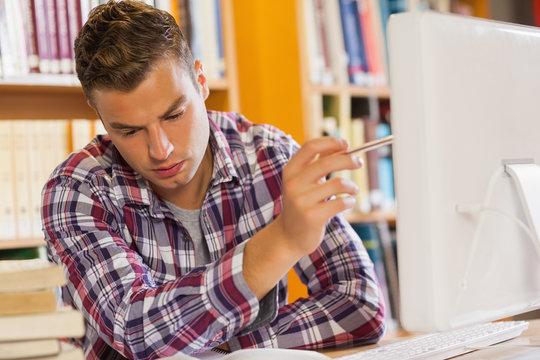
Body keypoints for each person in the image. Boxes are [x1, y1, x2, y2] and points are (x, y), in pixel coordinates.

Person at [42, 1, 385, 359]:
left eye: (174, 114)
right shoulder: (76, 190)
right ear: (97, 113)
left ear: (201, 81)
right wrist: (280, 242)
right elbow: (136, 333)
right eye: (128, 130)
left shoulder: (269, 154)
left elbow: (361, 305)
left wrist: (219, 348)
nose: (160, 150)